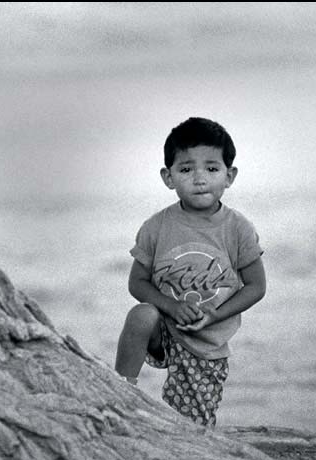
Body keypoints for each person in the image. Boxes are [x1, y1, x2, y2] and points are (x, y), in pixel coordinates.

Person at [114, 117, 266, 426]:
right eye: (186, 169)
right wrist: (169, 306)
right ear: (168, 178)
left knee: (192, 428)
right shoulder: (156, 227)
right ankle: (120, 394)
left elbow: (255, 286)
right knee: (141, 314)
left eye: (211, 169)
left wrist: (213, 315)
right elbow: (137, 282)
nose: (199, 179)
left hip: (207, 341)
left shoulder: (238, 229)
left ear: (229, 176)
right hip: (165, 329)